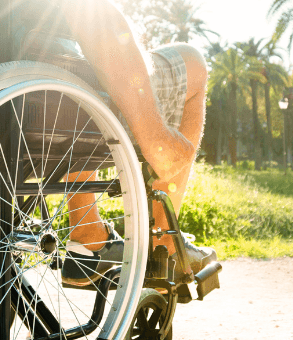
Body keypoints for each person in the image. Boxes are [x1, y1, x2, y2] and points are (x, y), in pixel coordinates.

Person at [55, 0, 217, 286]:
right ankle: (163, 239)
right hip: (50, 84)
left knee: (65, 69)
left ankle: (87, 234)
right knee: (193, 63)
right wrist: (155, 135)